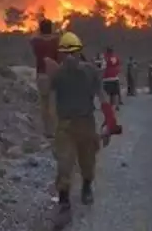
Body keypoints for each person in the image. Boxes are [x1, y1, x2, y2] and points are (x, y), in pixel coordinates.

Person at [48, 32, 122, 228]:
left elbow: (102, 96)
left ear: (80, 52)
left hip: (86, 123)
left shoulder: (90, 72)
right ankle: (64, 201)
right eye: (65, 53)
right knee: (64, 163)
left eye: (73, 52)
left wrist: (110, 121)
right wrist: (50, 125)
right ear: (60, 55)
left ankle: (87, 186)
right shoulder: (57, 75)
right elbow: (50, 99)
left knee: (87, 162)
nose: (69, 57)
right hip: (65, 125)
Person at [30, 19, 60, 139]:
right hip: (53, 74)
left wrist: (38, 32)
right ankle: (55, 129)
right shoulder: (56, 41)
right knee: (53, 102)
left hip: (41, 74)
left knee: (44, 102)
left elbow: (32, 37)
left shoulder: (36, 42)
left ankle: (47, 130)